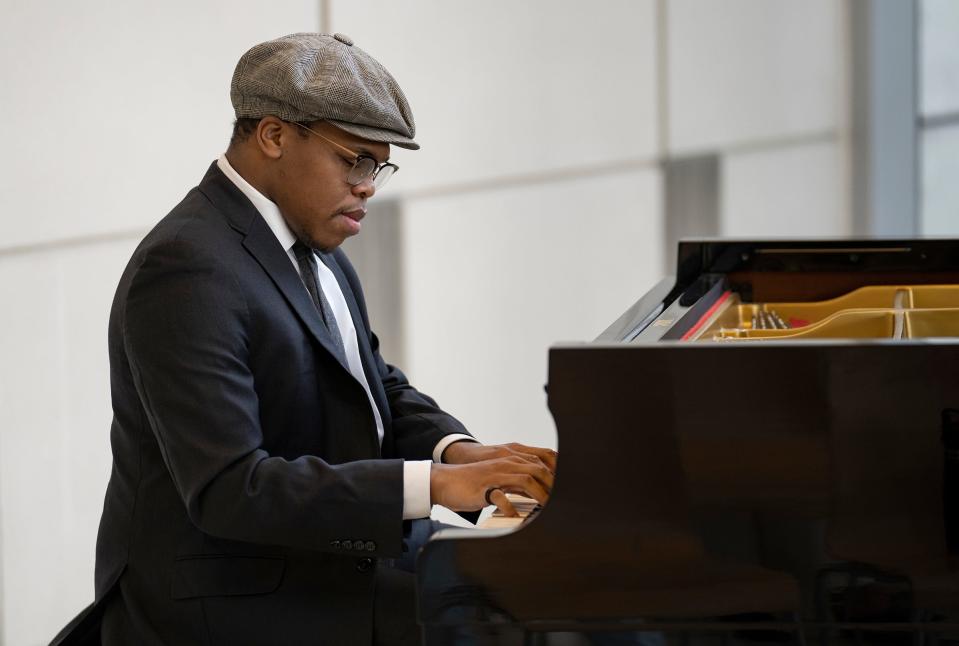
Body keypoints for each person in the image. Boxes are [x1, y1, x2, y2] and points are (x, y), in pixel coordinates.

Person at [85, 32, 556, 646]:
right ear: (274, 136)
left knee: (575, 591)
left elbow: (372, 382)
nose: (367, 186)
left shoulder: (309, 239)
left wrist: (455, 453)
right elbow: (232, 489)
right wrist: (434, 487)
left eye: (378, 168)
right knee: (541, 620)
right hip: (234, 599)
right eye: (354, 160)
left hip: (330, 557)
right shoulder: (187, 267)